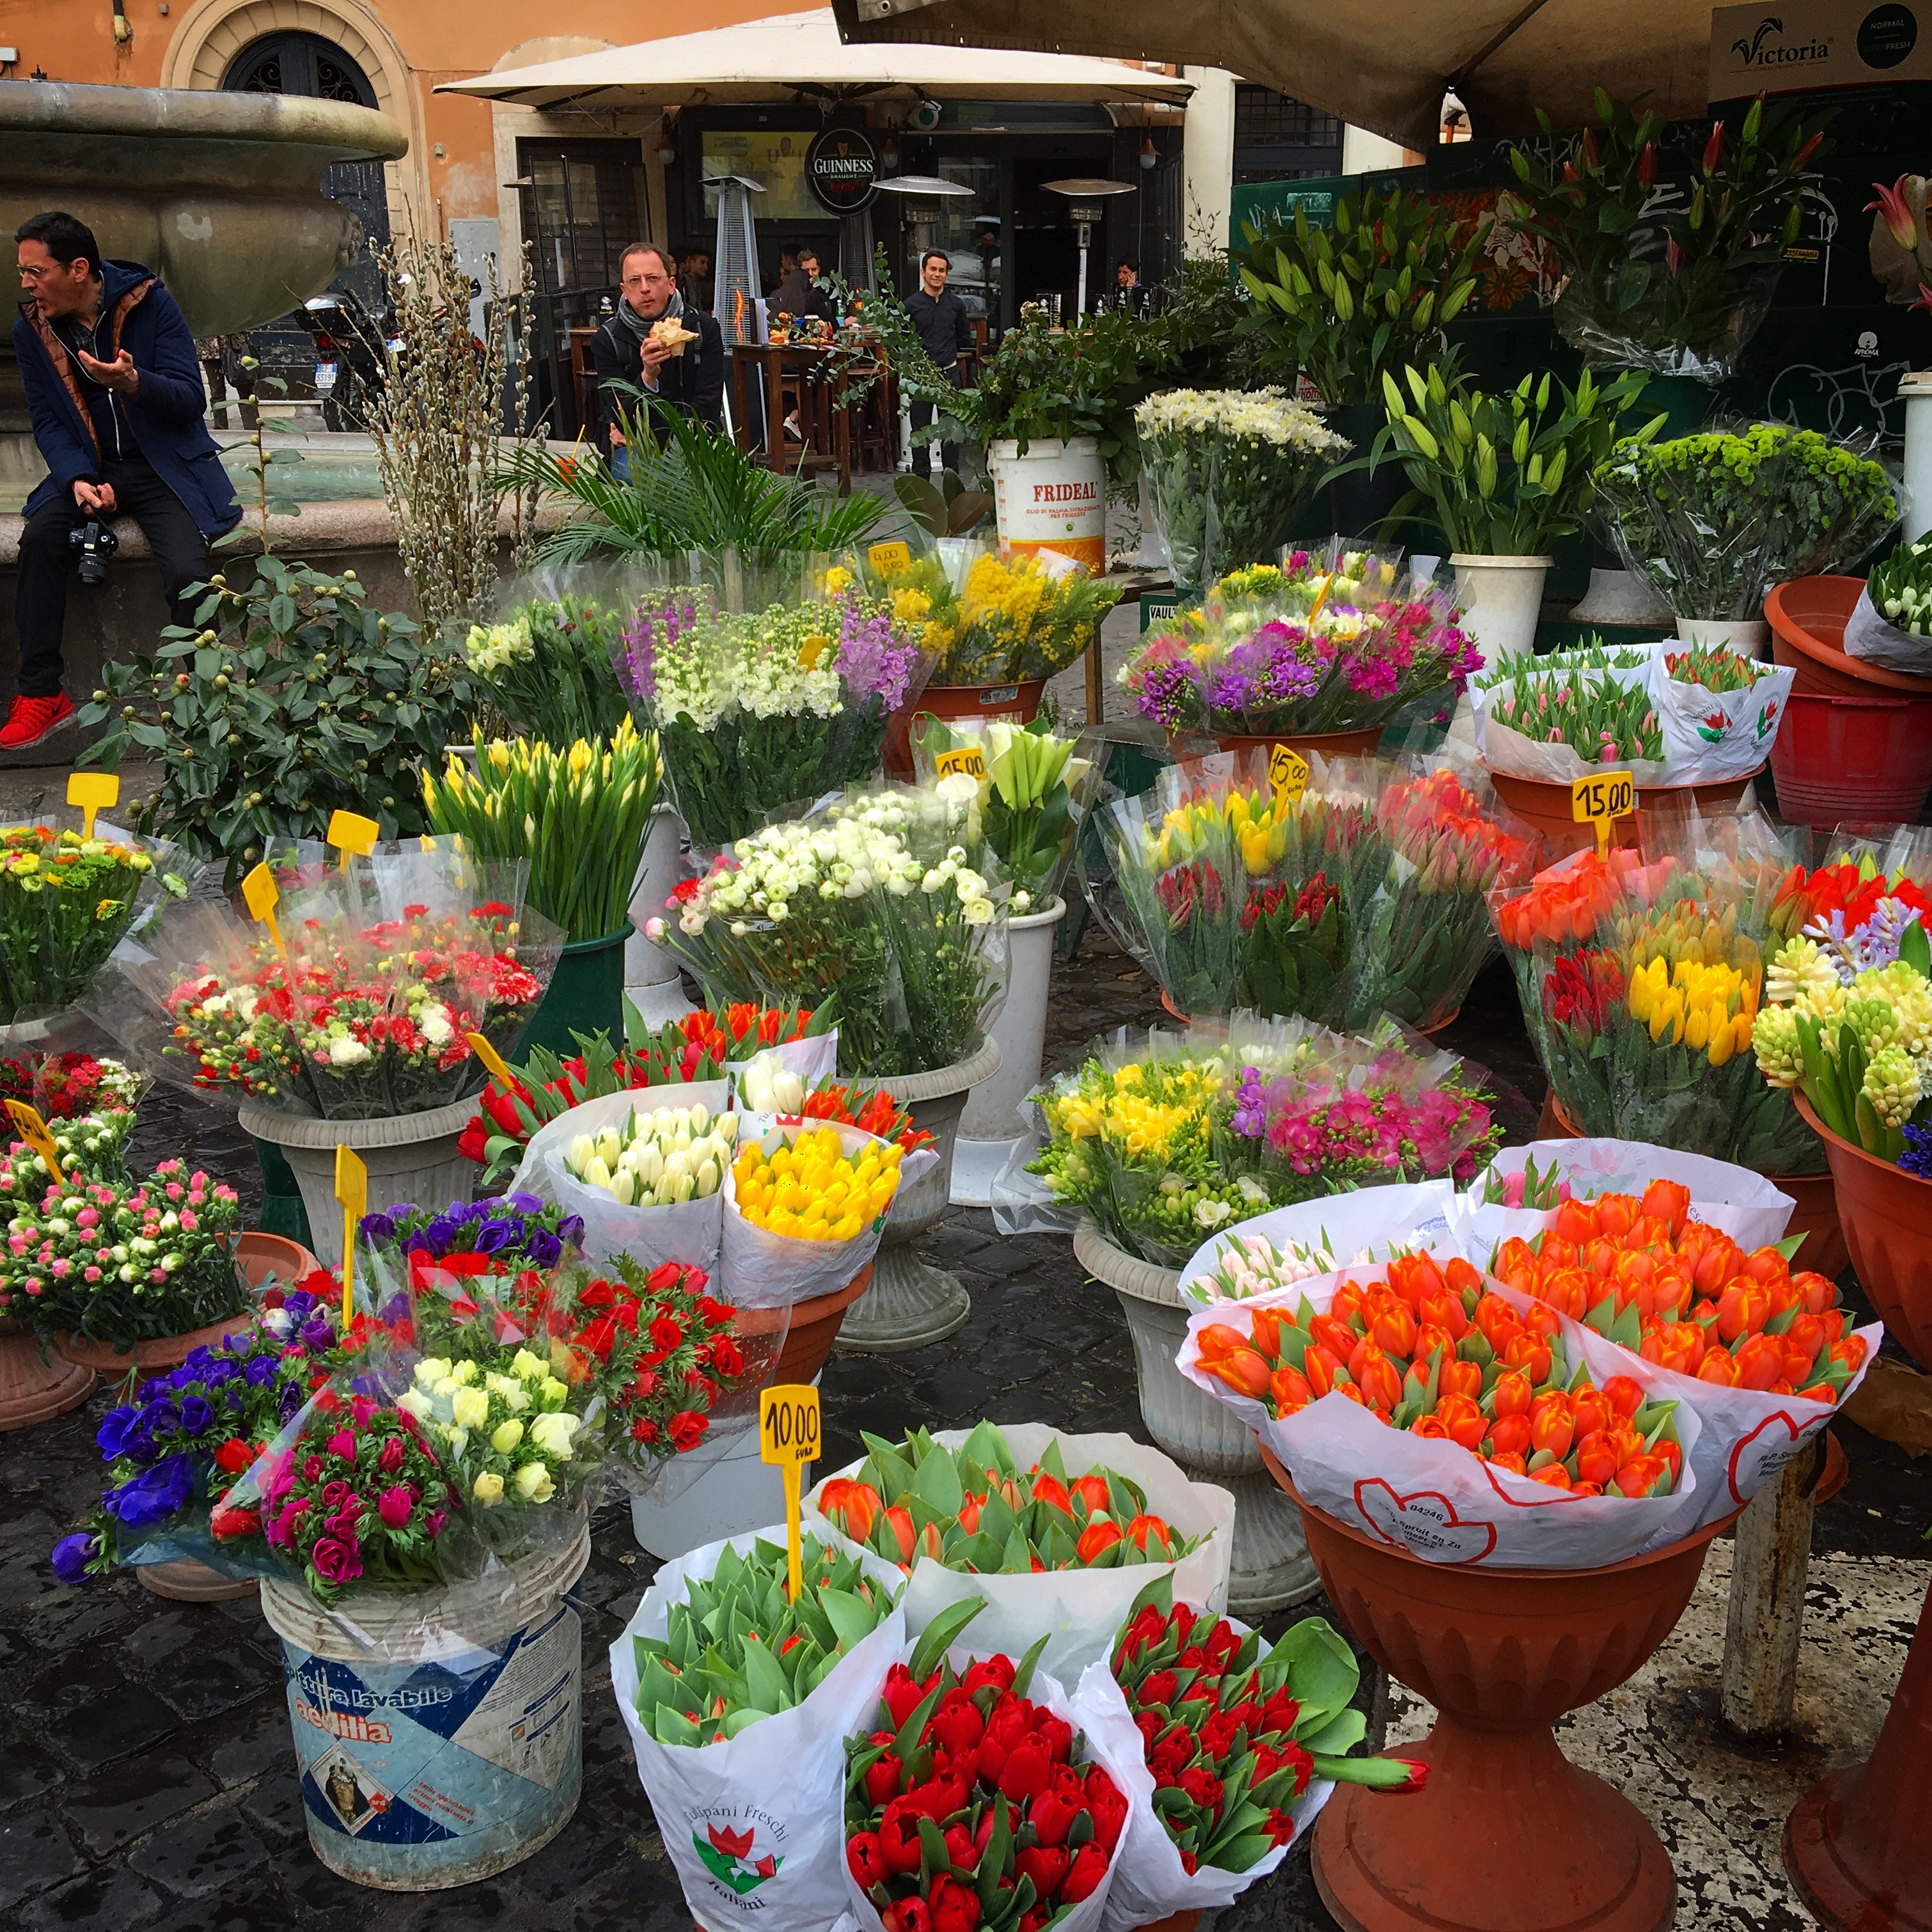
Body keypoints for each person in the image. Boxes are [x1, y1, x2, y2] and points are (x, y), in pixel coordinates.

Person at [7, 210, 240, 753]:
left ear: (79, 269)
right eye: (23, 271)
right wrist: (78, 479)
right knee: (39, 541)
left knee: (187, 573)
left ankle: (211, 704)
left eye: (35, 272)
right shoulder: (32, 331)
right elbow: (46, 420)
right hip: (94, 469)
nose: (25, 284)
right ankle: (41, 693)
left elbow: (190, 399)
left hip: (163, 467)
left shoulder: (152, 303)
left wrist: (136, 381)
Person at [590, 242, 725, 474]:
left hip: (694, 441)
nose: (644, 289)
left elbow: (707, 408)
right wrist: (648, 377)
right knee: (634, 472)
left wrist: (649, 436)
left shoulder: (703, 329)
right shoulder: (608, 339)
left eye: (652, 278)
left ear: (671, 284)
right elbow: (618, 414)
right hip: (633, 453)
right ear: (624, 289)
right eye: (635, 281)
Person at [903, 249, 974, 475]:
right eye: (933, 269)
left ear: (947, 275)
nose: (938, 274)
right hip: (921, 378)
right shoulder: (910, 305)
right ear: (923, 272)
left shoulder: (956, 305)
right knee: (920, 431)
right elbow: (902, 341)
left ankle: (951, 481)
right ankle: (922, 488)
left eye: (942, 270)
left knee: (952, 433)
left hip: (949, 375)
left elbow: (964, 337)